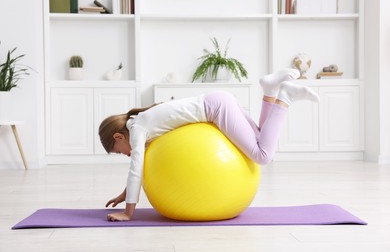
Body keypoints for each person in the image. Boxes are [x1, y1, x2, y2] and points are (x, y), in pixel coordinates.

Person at [99, 69, 320, 221]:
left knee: (262, 155)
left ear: (119, 137)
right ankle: (270, 90)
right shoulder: (140, 122)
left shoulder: (137, 130)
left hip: (216, 108)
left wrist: (128, 213)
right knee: (262, 138)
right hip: (218, 100)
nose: (125, 155)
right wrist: (123, 193)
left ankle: (285, 96)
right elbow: (136, 169)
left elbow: (136, 170)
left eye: (119, 152)